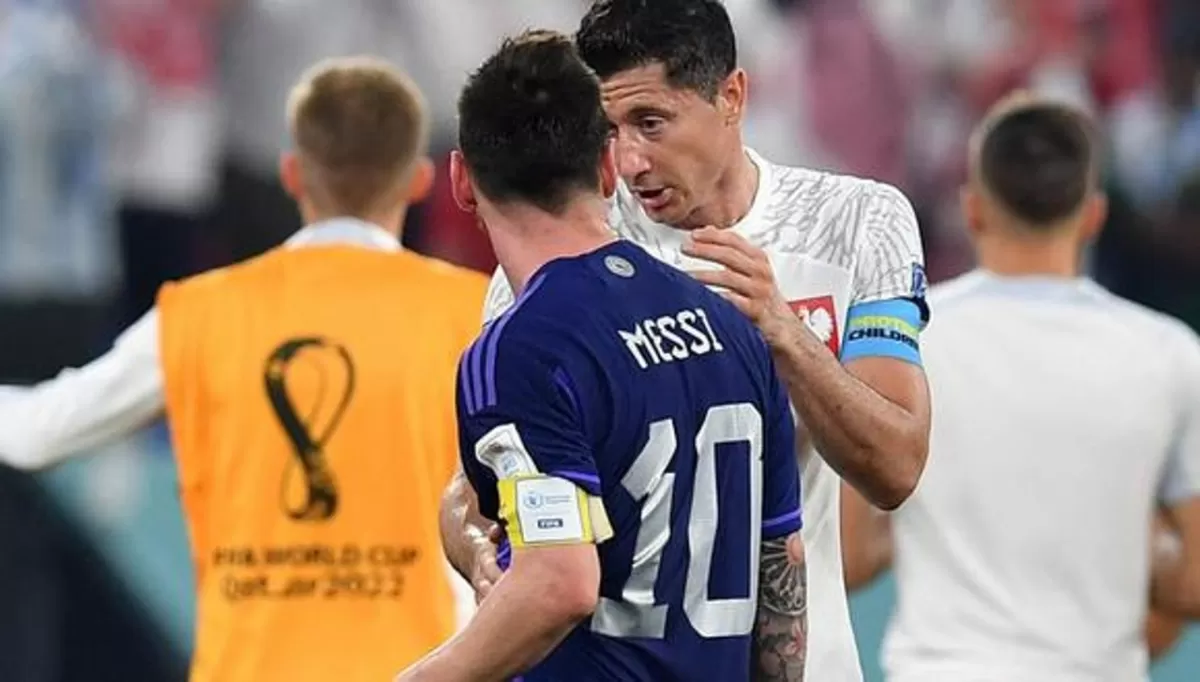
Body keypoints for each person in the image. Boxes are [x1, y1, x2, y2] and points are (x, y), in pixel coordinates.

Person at [439, 2, 932, 680]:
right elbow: (476, 484)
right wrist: (478, 554)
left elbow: (896, 468)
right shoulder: (560, 252)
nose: (632, 160)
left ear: (731, 96)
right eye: (609, 130)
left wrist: (784, 334)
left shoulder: (853, 222)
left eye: (652, 123)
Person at [0, 57, 488, 681]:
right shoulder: (476, 315)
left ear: (292, 174)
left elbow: (36, 432)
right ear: (419, 181)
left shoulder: (201, 314)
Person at [397, 30, 806, 682]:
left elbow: (559, 582)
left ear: (462, 181)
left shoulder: (519, 351)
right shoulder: (730, 324)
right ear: (608, 167)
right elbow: (780, 563)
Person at [839, 94, 1200, 682]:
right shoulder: (1168, 354)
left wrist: (954, 528)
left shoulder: (909, 344)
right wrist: (1114, 541)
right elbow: (1193, 580)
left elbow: (851, 555)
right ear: (1093, 215)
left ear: (973, 209)